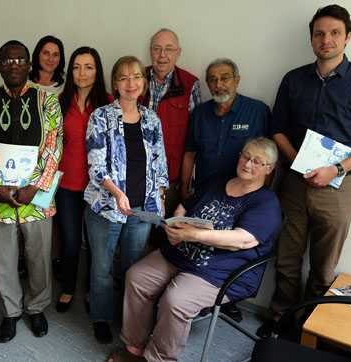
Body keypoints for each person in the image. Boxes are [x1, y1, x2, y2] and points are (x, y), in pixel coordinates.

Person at [258, 4, 351, 337]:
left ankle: (310, 328)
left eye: (334, 33)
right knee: (286, 258)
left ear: (348, 37)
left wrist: (335, 168)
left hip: (338, 187)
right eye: (319, 34)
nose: (326, 40)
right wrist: (297, 160)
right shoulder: (293, 79)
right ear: (311, 39)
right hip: (294, 185)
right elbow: (278, 128)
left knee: (323, 267)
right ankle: (280, 319)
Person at [108, 138, 282, 362]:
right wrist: (176, 223)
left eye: (258, 162)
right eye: (246, 156)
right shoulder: (219, 182)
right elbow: (186, 206)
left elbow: (243, 240)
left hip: (219, 271)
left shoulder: (266, 203)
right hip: (181, 253)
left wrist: (191, 234)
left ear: (269, 169)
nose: (248, 164)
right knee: (137, 277)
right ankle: (134, 349)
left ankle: (158, 359)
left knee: (176, 300)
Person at [0, 40, 62, 343]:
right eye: (7, 61)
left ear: (29, 65)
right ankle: (10, 312)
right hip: (0, 197)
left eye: (20, 60)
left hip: (36, 198)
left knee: (38, 256)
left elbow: (53, 147)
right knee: (4, 259)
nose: (14, 65)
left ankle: (36, 308)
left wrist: (34, 187)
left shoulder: (47, 100)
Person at [84, 56, 168, 344]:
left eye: (136, 77)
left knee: (133, 268)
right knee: (102, 268)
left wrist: (160, 197)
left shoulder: (151, 118)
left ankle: (127, 316)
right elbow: (96, 167)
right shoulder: (100, 116)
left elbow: (160, 164)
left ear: (143, 83)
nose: (131, 83)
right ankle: (100, 317)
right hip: (106, 208)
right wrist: (118, 193)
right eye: (123, 78)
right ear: (115, 84)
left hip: (141, 209)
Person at [55, 46, 112, 313]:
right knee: (69, 241)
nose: (82, 73)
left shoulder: (109, 104)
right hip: (66, 184)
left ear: (97, 70)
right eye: (77, 67)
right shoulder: (59, 102)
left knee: (94, 242)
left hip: (98, 187)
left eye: (88, 67)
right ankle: (68, 287)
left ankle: (92, 290)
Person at [180, 58, 271, 199]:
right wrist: (184, 188)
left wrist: (265, 193)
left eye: (225, 78)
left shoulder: (258, 111)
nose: (219, 85)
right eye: (212, 80)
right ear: (208, 84)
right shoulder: (199, 114)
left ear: (237, 80)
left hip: (244, 194)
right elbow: (190, 154)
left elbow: (270, 156)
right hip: (204, 193)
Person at [140, 28, 201, 215]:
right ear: (150, 51)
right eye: (157, 49)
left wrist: (186, 181)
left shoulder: (190, 84)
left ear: (178, 53)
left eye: (169, 49)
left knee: (164, 232)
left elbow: (194, 137)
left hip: (170, 177)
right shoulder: (136, 78)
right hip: (136, 173)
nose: (162, 55)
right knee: (135, 229)